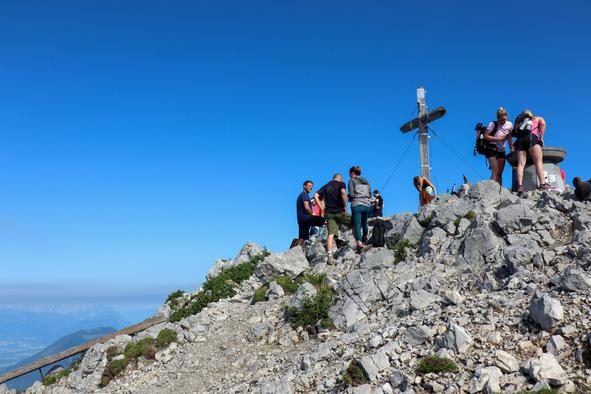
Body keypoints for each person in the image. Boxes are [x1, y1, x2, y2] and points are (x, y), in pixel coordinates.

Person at [314, 174, 350, 262]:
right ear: (340, 179)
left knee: (330, 234)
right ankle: (359, 244)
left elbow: (315, 195)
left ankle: (330, 255)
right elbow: (343, 193)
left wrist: (322, 208)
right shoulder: (341, 184)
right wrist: (345, 206)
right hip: (339, 212)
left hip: (329, 213)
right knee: (355, 222)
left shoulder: (326, 186)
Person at [514, 109, 552, 194]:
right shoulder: (537, 118)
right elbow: (543, 124)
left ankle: (520, 186)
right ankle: (542, 184)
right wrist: (541, 137)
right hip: (531, 138)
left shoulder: (519, 123)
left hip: (520, 141)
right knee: (538, 161)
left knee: (520, 164)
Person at [483, 107, 514, 184]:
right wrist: (499, 139)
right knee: (495, 170)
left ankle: (499, 192)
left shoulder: (510, 125)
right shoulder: (492, 124)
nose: (503, 121)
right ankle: (490, 190)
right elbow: (485, 136)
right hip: (491, 148)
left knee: (499, 173)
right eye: (501, 120)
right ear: (497, 118)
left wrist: (511, 149)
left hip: (501, 150)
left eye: (505, 119)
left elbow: (509, 137)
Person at [348, 166, 372, 252]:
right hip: (366, 205)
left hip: (356, 205)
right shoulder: (366, 181)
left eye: (349, 174)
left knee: (357, 226)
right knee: (364, 223)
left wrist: (346, 199)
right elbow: (370, 194)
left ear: (352, 173)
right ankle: (365, 236)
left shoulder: (351, 181)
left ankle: (359, 244)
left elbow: (351, 194)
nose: (349, 175)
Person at [296, 180, 325, 247]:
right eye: (309, 186)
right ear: (304, 186)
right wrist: (312, 214)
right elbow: (307, 207)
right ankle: (333, 237)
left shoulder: (300, 195)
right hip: (306, 218)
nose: (311, 188)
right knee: (324, 220)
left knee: (303, 238)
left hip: (301, 220)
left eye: (312, 186)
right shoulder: (304, 194)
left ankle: (298, 251)